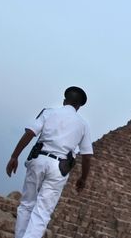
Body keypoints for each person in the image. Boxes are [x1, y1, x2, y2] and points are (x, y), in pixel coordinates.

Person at [6, 86, 94, 238]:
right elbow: (86, 156)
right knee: (42, 211)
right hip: (60, 167)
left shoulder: (48, 112)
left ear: (64, 100)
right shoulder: (83, 124)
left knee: (26, 205)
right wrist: (83, 179)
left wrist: (14, 156)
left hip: (38, 159)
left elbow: (30, 133)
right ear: (79, 106)